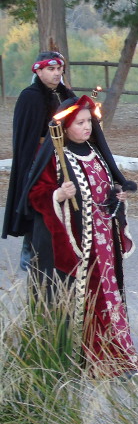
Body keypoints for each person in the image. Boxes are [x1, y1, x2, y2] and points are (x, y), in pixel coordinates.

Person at [22, 95, 138, 378]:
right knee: (82, 298)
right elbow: (34, 195)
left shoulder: (95, 151)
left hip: (103, 240)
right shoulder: (54, 156)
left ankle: (115, 355)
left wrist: (117, 195)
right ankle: (80, 358)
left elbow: (105, 187)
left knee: (107, 295)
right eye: (80, 123)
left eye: (89, 122)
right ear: (66, 126)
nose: (87, 127)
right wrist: (58, 194)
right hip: (75, 242)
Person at [2, 52, 75, 271]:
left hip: (65, 156)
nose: (55, 73)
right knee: (39, 202)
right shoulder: (30, 96)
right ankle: (29, 249)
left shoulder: (66, 95)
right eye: (50, 69)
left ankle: (65, 250)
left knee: (67, 202)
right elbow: (25, 134)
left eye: (58, 69)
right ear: (38, 71)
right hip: (38, 158)